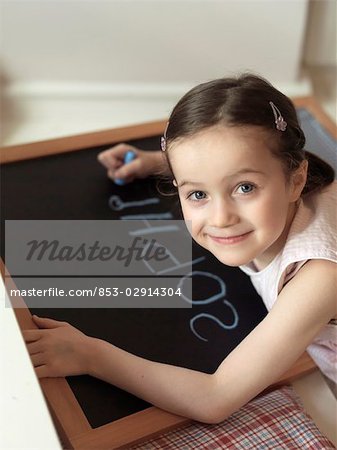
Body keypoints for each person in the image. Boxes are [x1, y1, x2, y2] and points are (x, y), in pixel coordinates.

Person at [23, 74, 336, 423]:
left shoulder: (320, 275)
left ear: (296, 181)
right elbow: (240, 162)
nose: (221, 218)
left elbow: (214, 398)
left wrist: (90, 355)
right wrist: (154, 162)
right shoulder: (293, 173)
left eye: (245, 188)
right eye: (197, 193)